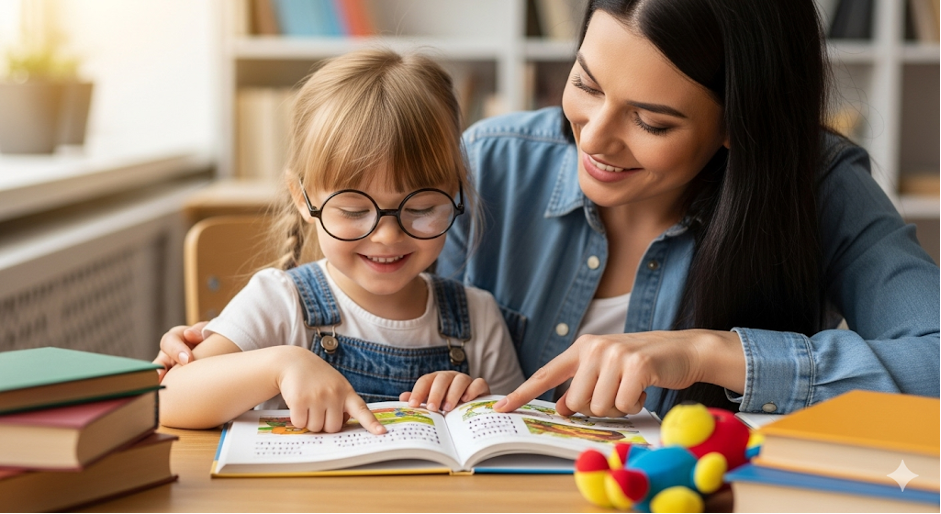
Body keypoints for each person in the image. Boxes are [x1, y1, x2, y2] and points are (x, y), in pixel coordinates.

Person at [160, 1, 940, 420]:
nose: (592, 139)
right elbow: (392, 306)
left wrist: (704, 354)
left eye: (653, 121)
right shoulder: (491, 161)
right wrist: (229, 355)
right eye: (586, 84)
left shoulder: (816, 185)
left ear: (740, 123)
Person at [156, 48, 524, 434]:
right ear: (303, 199)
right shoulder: (280, 303)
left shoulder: (479, 318)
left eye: (421, 208)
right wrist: (280, 366)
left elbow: (514, 437)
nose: (386, 235)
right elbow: (163, 396)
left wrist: (474, 405)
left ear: (457, 194)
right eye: (352, 211)